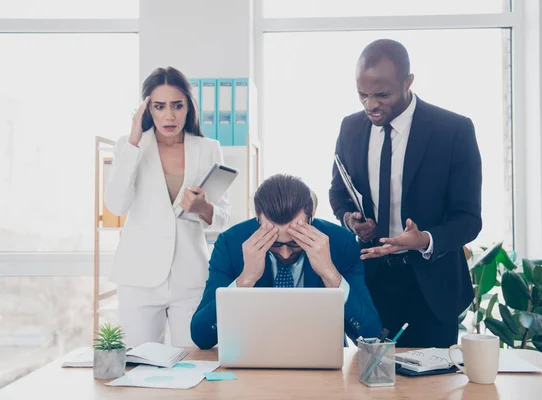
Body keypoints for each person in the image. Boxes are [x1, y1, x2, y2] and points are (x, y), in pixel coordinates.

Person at [329, 39, 482, 348]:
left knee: (434, 388)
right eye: (363, 95)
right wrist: (350, 219)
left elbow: (468, 219)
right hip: (371, 283)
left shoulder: (453, 130)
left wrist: (425, 239)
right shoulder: (350, 128)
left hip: (431, 285)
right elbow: (338, 191)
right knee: (369, 386)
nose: (371, 105)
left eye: (382, 95)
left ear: (408, 82)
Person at [105, 66, 231, 347]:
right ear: (147, 109)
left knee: (194, 363)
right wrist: (134, 140)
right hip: (138, 277)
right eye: (159, 106)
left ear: (189, 107)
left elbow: (222, 218)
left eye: (177, 105)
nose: (169, 115)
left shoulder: (208, 148)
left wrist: (202, 207)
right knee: (139, 368)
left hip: (189, 277)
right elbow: (116, 205)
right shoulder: (130, 146)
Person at [190, 174, 382, 349]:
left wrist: (330, 275)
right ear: (258, 219)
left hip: (322, 362)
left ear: (311, 218)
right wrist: (244, 281)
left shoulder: (341, 242)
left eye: (294, 242)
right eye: (273, 243)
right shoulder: (231, 243)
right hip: (253, 359)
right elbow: (201, 336)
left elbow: (370, 334)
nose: (285, 252)